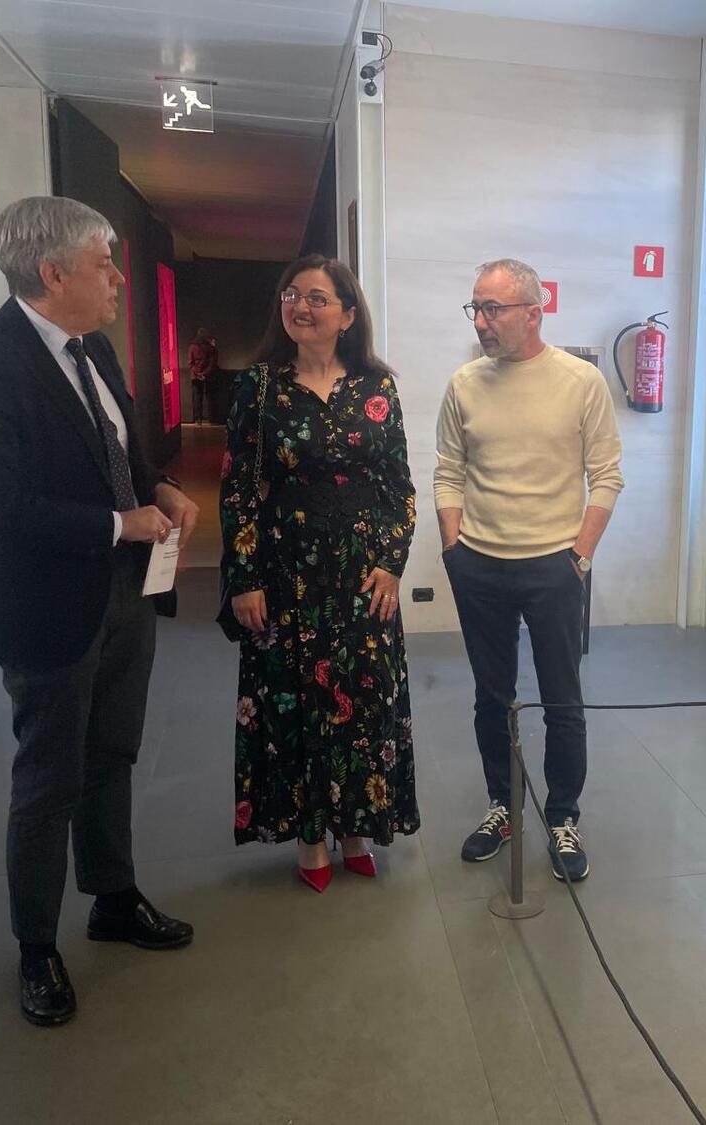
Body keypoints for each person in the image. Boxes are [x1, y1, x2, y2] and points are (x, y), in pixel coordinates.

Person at [0, 196, 199, 1028]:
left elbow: (115, 447)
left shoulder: (94, 350)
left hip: (124, 592)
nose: (117, 278)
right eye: (103, 264)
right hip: (47, 603)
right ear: (53, 274)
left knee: (112, 751)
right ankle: (36, 948)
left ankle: (112, 897)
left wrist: (154, 484)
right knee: (48, 775)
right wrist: (119, 522)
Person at [220, 255, 418, 893]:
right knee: (298, 701)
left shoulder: (377, 389)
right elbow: (241, 490)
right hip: (286, 570)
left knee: (361, 698)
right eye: (291, 295)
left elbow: (399, 487)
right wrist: (245, 575)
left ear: (348, 315)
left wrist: (391, 563)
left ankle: (355, 824)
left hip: (362, 573)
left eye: (317, 298)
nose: (300, 306)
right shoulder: (259, 387)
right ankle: (309, 833)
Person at [435, 258, 624, 882]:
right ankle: (503, 806)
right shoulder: (464, 383)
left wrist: (579, 556)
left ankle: (563, 815)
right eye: (476, 309)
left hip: (554, 567)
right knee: (493, 697)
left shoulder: (580, 382)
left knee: (562, 699)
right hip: (480, 565)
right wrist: (453, 549)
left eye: (494, 309)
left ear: (533, 312)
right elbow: (448, 471)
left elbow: (608, 476)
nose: (482, 322)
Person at [188, 328, 218, 424]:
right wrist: (205, 373)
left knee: (197, 397)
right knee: (210, 397)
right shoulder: (210, 347)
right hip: (208, 375)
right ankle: (211, 418)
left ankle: (198, 419)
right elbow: (213, 362)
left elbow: (190, 363)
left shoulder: (192, 346)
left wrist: (197, 373)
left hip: (195, 375)